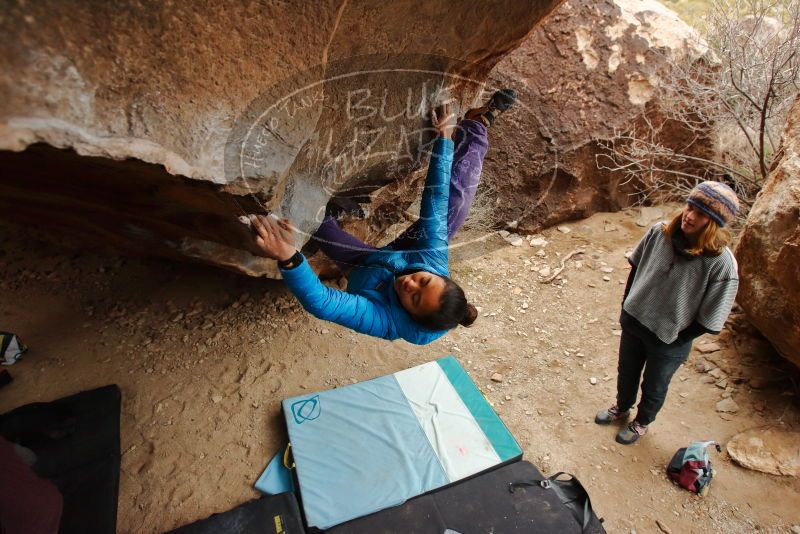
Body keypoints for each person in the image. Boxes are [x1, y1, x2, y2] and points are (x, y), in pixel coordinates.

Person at [249, 90, 517, 345]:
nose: (410, 283)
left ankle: (329, 215)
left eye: (414, 299)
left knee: (312, 221)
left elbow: (323, 303)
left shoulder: (386, 321)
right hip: (406, 255)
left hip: (360, 266)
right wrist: (444, 139)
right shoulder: (432, 262)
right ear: (439, 275)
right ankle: (477, 125)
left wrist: (289, 257)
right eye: (424, 281)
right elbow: (435, 199)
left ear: (411, 316)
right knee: (453, 206)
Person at [595, 181, 740, 444]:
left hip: (669, 338)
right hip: (635, 321)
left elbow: (713, 315)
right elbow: (636, 266)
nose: (689, 216)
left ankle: (641, 423)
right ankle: (622, 407)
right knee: (626, 372)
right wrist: (627, 306)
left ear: (714, 223)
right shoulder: (659, 233)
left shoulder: (721, 264)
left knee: (655, 385)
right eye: (690, 207)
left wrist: (678, 338)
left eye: (701, 214)